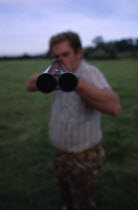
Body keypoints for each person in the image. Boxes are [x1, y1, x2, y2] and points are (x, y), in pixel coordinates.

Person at [26, 31, 121, 210]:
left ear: (78, 52)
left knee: (83, 200)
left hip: (83, 156)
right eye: (56, 56)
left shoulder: (90, 73)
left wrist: (76, 83)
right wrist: (47, 76)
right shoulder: (56, 71)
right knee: (66, 195)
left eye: (65, 54)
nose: (60, 60)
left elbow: (114, 107)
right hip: (60, 152)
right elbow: (29, 85)